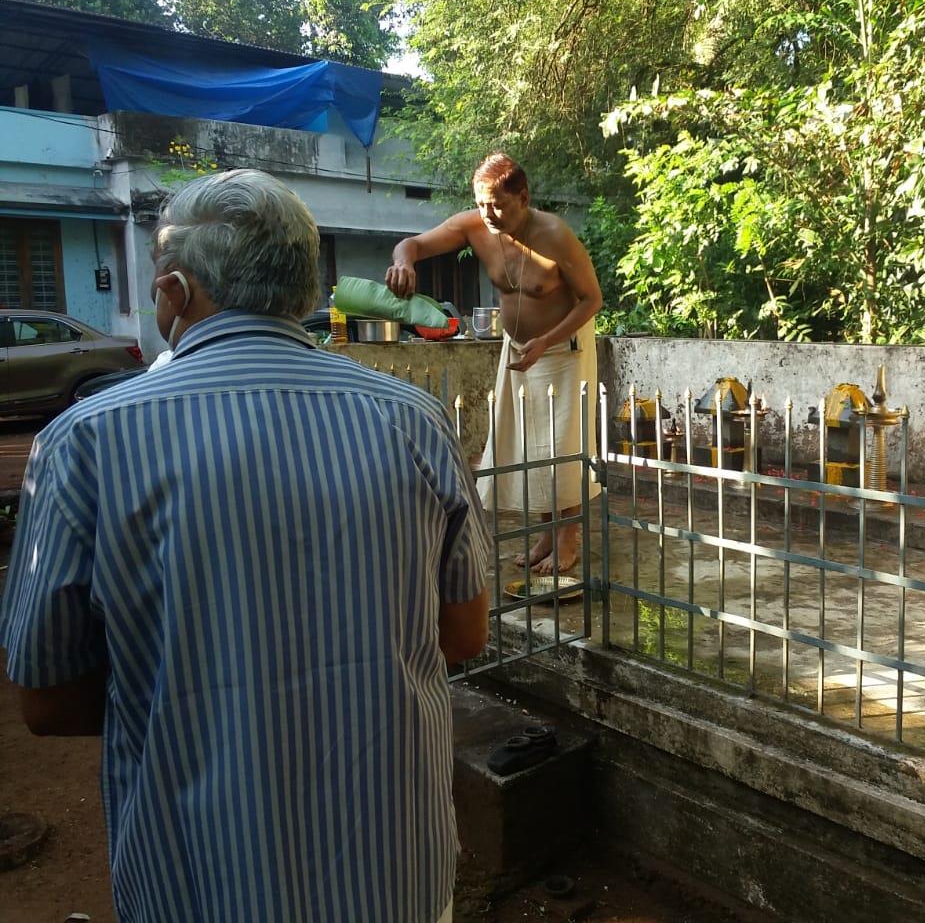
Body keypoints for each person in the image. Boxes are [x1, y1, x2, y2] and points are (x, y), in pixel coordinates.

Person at [1, 169, 489, 923]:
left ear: (173, 292)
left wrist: (206, 688)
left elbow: (47, 698)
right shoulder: (413, 420)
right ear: (302, 291)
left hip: (197, 881)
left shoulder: (86, 441)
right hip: (396, 872)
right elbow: (463, 634)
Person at [386, 152, 603, 574]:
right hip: (518, 345)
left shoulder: (555, 235)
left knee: (562, 443)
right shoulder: (475, 226)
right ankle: (547, 533)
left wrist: (546, 341)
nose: (488, 214)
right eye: (481, 204)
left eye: (498, 205)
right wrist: (403, 262)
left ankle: (568, 539)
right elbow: (412, 245)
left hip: (562, 348)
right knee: (530, 440)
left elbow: (592, 299)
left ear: (523, 198)